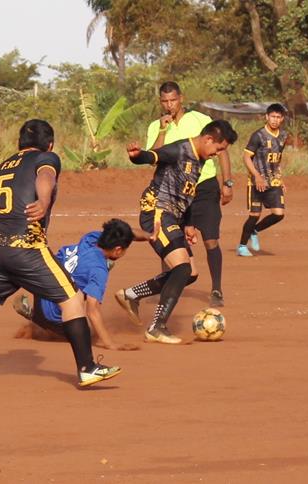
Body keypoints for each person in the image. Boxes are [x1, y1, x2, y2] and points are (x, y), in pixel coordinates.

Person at [0, 119, 120, 389]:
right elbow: (45, 176)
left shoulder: (0, 169)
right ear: (50, 144)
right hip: (26, 245)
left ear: (18, 144)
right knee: (71, 299)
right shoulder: (47, 157)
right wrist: (44, 201)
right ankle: (87, 368)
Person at [116, 120, 238, 344]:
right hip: (156, 213)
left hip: (174, 216)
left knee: (189, 274)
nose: (218, 154)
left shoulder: (200, 158)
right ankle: (156, 327)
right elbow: (152, 157)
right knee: (181, 268)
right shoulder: (179, 149)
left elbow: (186, 193)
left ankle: (132, 294)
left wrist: (188, 223)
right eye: (219, 149)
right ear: (208, 139)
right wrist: (136, 155)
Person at [143, 81, 234, 307]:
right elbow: (152, 155)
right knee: (172, 241)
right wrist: (163, 129)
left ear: (181, 98)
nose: (169, 105)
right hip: (174, 192)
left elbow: (221, 151)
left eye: (172, 100)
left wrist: (227, 182)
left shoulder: (201, 120)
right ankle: (167, 287)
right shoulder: (157, 125)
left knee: (211, 239)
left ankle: (216, 289)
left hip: (203, 186)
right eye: (164, 101)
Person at [12, 219, 152, 351]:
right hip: (52, 315)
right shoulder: (98, 270)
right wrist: (110, 343)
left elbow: (129, 233)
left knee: (73, 278)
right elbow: (93, 311)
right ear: (118, 250)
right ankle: (37, 318)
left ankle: (40, 314)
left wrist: (149, 236)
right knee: (86, 334)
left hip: (41, 292)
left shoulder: (90, 238)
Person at [237, 103, 288, 257]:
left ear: (282, 119)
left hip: (273, 181)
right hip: (256, 182)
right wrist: (257, 176)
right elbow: (246, 157)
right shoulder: (258, 135)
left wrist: (281, 179)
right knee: (254, 215)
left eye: (278, 117)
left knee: (279, 214)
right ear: (266, 117)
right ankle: (242, 246)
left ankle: (255, 230)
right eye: (272, 116)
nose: (275, 120)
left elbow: (276, 159)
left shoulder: (283, 135)